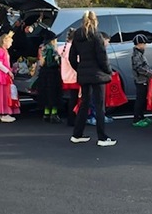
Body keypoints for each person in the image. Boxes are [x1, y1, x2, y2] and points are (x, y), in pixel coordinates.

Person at [69, 10, 116, 147]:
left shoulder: (77, 35)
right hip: (98, 74)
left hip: (84, 74)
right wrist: (108, 71)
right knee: (99, 105)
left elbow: (72, 57)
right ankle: (102, 137)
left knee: (84, 103)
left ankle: (77, 134)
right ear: (95, 20)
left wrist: (79, 69)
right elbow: (102, 57)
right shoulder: (97, 35)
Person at [0, 31, 18, 122]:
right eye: (10, 42)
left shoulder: (2, 50)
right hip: (1, 76)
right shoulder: (1, 51)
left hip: (0, 75)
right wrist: (9, 72)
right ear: (4, 42)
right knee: (4, 94)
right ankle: (5, 113)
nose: (11, 44)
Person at [37, 30, 62, 124]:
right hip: (53, 73)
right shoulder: (54, 50)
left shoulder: (42, 48)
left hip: (44, 73)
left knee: (46, 93)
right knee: (55, 93)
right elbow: (57, 62)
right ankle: (54, 114)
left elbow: (42, 63)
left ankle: (46, 114)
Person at [130, 34, 152, 127]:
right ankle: (136, 119)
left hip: (144, 80)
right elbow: (138, 68)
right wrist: (149, 74)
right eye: (144, 44)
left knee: (143, 99)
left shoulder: (140, 53)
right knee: (139, 100)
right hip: (140, 80)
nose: (145, 46)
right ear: (139, 44)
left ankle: (141, 116)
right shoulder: (136, 55)